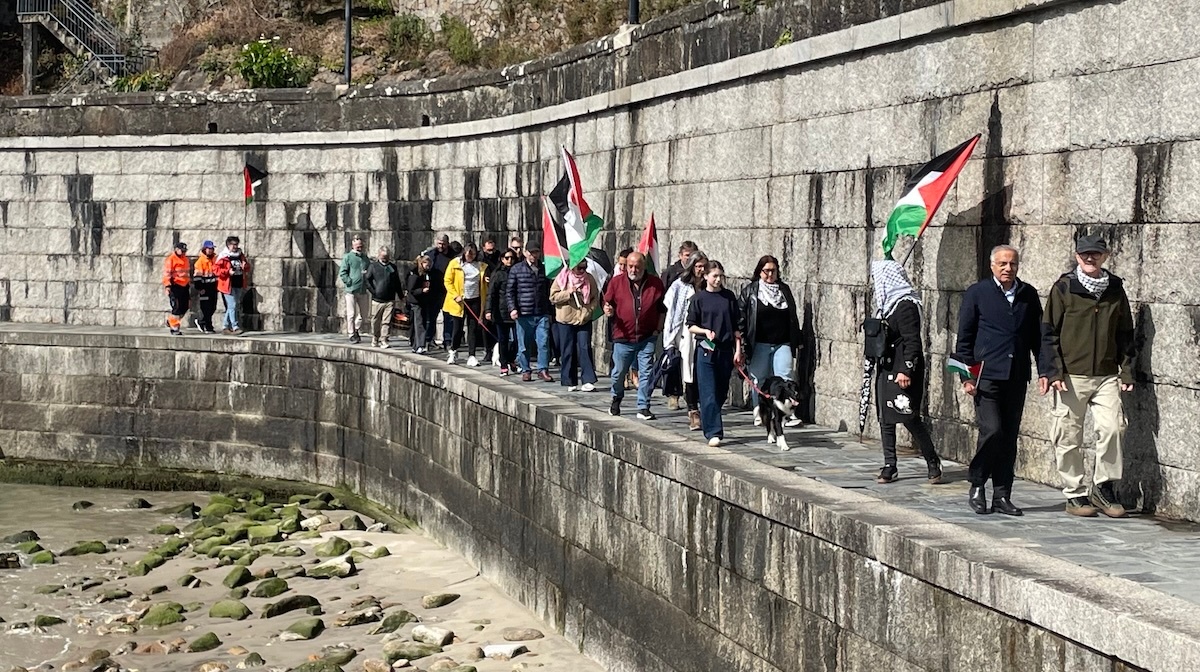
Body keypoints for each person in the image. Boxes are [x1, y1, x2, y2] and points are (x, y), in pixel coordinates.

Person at [1040, 235, 1136, 518]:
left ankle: (1103, 486)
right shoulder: (1064, 288)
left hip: (1106, 374)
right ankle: (1075, 493)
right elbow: (1048, 333)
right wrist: (1053, 370)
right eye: (1085, 255)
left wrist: (1127, 370)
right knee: (1068, 434)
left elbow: (1125, 333)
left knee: (1113, 428)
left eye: (1095, 254)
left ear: (1105, 256)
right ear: (1077, 256)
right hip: (1071, 375)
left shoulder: (1115, 288)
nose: (1090, 259)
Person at [954, 244, 1047, 516]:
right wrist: (966, 376)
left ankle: (1002, 494)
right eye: (1003, 264)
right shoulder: (978, 293)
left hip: (1016, 375)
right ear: (992, 266)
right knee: (992, 430)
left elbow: (1037, 338)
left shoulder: (1028, 294)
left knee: (1009, 437)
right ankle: (977, 483)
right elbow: (965, 338)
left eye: (1013, 264)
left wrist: (1044, 371)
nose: (1008, 269)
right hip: (986, 375)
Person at [870, 260, 943, 484]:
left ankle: (932, 461)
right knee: (885, 417)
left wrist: (906, 369)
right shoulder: (887, 305)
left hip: (902, 368)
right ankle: (890, 464)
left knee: (909, 417)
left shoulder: (905, 305)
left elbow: (913, 341)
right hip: (886, 366)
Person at [739, 255, 804, 427]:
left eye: (773, 270)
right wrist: (743, 344)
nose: (770, 274)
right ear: (759, 272)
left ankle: (786, 414)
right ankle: (760, 412)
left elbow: (792, 317)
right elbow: (742, 319)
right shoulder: (750, 291)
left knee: (785, 378)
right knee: (758, 379)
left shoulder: (784, 290)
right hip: (759, 343)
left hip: (782, 342)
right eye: (766, 271)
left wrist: (797, 339)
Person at [604, 251, 666, 420]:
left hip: (647, 337)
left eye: (636, 266)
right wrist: (608, 310)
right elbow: (607, 302)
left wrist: (657, 330)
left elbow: (661, 309)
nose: (633, 269)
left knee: (646, 372)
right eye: (630, 266)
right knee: (618, 372)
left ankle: (643, 406)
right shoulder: (617, 282)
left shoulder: (655, 284)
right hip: (623, 337)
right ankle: (617, 397)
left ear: (643, 266)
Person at [687, 260, 743, 446]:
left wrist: (738, 349)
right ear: (706, 277)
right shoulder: (699, 299)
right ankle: (713, 432)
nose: (718, 280)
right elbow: (691, 325)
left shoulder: (729, 297)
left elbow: (736, 327)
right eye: (714, 276)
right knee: (708, 391)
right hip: (706, 349)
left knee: (720, 391)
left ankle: (709, 417)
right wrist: (705, 331)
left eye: (720, 276)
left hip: (725, 350)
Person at [663, 251, 708, 429]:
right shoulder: (680, 286)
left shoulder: (709, 285)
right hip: (687, 333)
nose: (701, 270)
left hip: (706, 334)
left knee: (704, 370)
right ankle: (693, 411)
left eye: (704, 266)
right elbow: (672, 313)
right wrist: (670, 340)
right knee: (689, 371)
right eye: (698, 266)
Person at [550, 259, 602, 391]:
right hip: (565, 319)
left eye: (584, 268)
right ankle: (569, 380)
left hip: (583, 319)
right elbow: (553, 297)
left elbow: (595, 298)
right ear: (572, 268)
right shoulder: (562, 279)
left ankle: (588, 379)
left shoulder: (589, 279)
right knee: (568, 350)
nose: (582, 271)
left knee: (584, 347)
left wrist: (589, 311)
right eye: (579, 268)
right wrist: (568, 292)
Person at [506, 245, 554, 382]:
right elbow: (510, 292)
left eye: (536, 252)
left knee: (543, 342)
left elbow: (547, 291)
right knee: (524, 345)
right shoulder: (516, 269)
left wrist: (550, 312)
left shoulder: (545, 269)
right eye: (531, 253)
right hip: (523, 313)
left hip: (541, 312)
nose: (534, 255)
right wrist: (512, 308)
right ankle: (526, 370)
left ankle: (543, 369)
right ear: (526, 253)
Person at [442, 242, 489, 366]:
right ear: (464, 252)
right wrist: (455, 295)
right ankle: (453, 350)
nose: (470, 256)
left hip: (475, 299)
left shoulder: (481, 266)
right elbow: (447, 281)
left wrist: (486, 280)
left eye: (473, 254)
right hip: (460, 301)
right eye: (468, 253)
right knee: (457, 328)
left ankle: (472, 355)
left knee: (472, 328)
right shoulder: (455, 263)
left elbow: (484, 281)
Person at [486, 249, 518, 375]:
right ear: (502, 259)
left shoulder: (517, 272)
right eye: (507, 257)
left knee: (517, 339)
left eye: (512, 258)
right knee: (503, 339)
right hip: (501, 310)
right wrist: (488, 310)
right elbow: (491, 293)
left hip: (515, 310)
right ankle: (504, 363)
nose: (509, 260)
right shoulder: (498, 274)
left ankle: (511, 359)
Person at [364, 246, 402, 348]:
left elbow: (397, 282)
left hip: (390, 299)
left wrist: (401, 295)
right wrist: (373, 291)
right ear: (379, 255)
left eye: (387, 257)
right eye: (383, 256)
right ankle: (375, 337)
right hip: (377, 299)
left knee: (387, 321)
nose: (385, 258)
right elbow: (367, 280)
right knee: (375, 321)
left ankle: (384, 339)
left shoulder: (393, 267)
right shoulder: (373, 266)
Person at [422, 234, 454, 349]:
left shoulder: (453, 256)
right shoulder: (431, 254)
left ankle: (448, 341)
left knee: (448, 318)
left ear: (447, 243)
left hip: (448, 291)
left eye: (443, 244)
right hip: (434, 291)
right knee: (431, 317)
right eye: (439, 243)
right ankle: (429, 339)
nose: (441, 246)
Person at [214, 236, 251, 335]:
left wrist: (245, 266)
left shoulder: (240, 255)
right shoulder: (223, 256)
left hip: (238, 283)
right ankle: (235, 326)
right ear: (228, 245)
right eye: (233, 244)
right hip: (226, 285)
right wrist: (227, 272)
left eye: (236, 244)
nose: (235, 246)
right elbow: (216, 270)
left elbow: (247, 268)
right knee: (232, 305)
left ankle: (225, 326)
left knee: (234, 305)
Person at [339, 235, 371, 344]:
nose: (359, 247)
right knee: (351, 314)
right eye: (357, 246)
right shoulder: (348, 257)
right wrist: (349, 282)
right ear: (353, 245)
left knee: (364, 315)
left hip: (363, 289)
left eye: (361, 246)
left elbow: (370, 270)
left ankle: (356, 329)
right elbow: (342, 272)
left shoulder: (365, 258)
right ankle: (351, 333)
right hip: (351, 290)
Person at [406, 255, 437, 354]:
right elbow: (411, 290)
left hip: (424, 301)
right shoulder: (415, 275)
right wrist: (422, 290)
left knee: (421, 323)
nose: (428, 267)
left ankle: (416, 345)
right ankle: (420, 345)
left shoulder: (427, 274)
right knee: (419, 324)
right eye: (427, 265)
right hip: (416, 302)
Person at [162, 241, 191, 336]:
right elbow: (166, 274)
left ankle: (171, 321)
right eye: (182, 251)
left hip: (185, 286)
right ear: (176, 250)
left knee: (185, 307)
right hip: (175, 286)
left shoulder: (185, 259)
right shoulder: (171, 260)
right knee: (176, 307)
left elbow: (186, 273)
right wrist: (167, 286)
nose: (183, 253)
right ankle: (174, 328)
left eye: (184, 251)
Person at [191, 240, 218, 333]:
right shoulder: (200, 262)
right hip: (204, 288)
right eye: (209, 249)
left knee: (213, 307)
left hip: (213, 287)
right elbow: (197, 277)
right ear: (204, 249)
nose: (210, 250)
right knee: (206, 308)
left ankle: (204, 323)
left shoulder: (214, 259)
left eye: (212, 248)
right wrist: (200, 288)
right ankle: (206, 324)